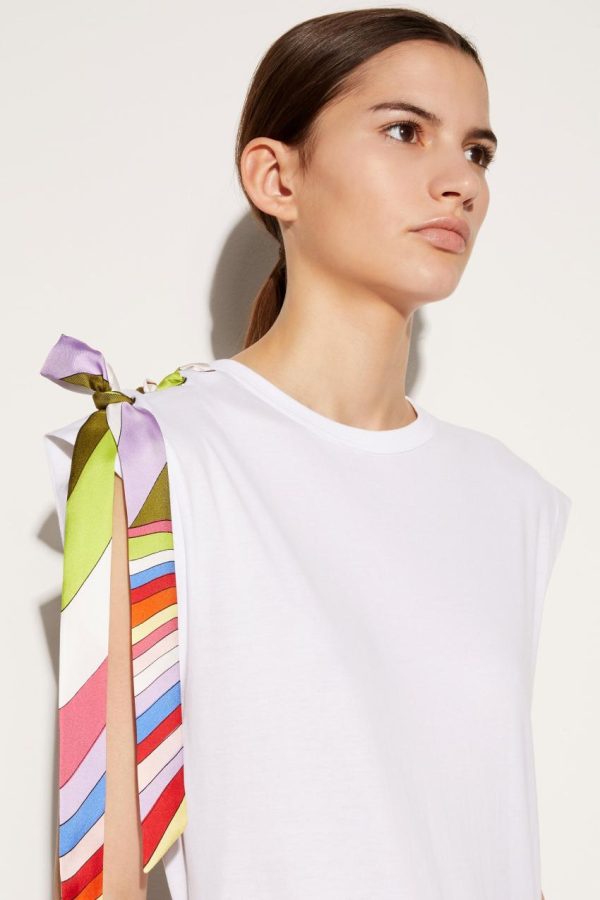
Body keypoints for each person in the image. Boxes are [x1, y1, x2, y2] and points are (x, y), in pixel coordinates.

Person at [41, 8, 570, 900]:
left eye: (477, 152)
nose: (460, 183)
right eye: (405, 131)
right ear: (277, 176)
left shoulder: (513, 498)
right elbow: (105, 867)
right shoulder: (151, 454)